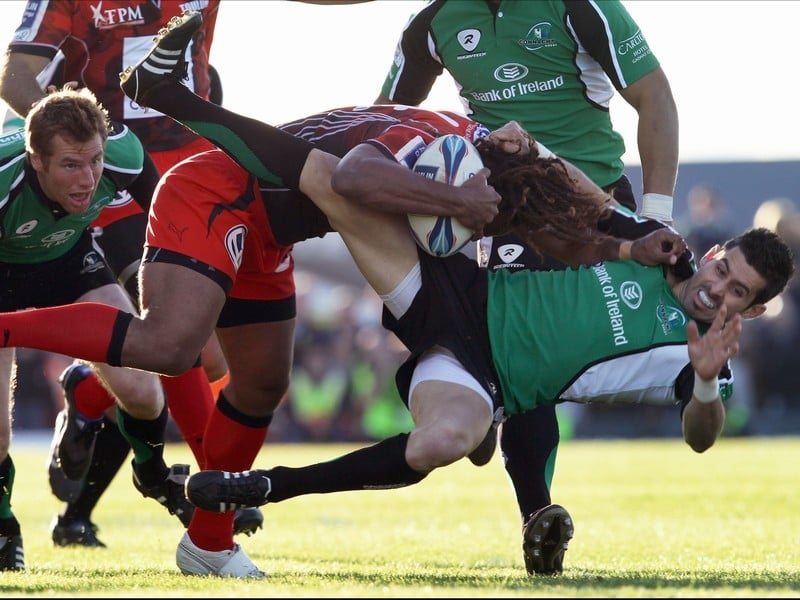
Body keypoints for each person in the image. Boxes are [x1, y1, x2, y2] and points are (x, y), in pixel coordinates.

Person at [0, 11, 687, 577]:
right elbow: (354, 178)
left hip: (271, 222)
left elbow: (562, 204)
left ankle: (206, 545)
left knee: (260, 383)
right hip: (214, 192)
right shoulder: (437, 150)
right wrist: (458, 204)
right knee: (172, 348)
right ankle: (8, 327)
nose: (515, 128)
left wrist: (634, 238)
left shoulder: (480, 156)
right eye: (513, 141)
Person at [374, 0, 680, 571]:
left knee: (598, 350)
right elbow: (386, 118)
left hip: (599, 208)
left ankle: (488, 397)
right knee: (527, 362)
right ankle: (537, 516)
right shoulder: (433, 23)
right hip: (509, 213)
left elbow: (654, 94)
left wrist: (658, 215)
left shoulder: (581, 9)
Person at [0, 0, 252, 548]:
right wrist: (72, 142)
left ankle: (91, 402)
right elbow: (15, 75)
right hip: (87, 174)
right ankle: (207, 484)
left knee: (195, 358)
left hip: (162, 168)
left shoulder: (124, 154)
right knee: (170, 341)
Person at [0, 88, 201, 571]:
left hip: (72, 264)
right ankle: (5, 529)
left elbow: (169, 219)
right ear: (36, 160)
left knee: (143, 387)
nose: (88, 178)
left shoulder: (124, 155)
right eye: (71, 165)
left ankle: (152, 475)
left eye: (94, 161)